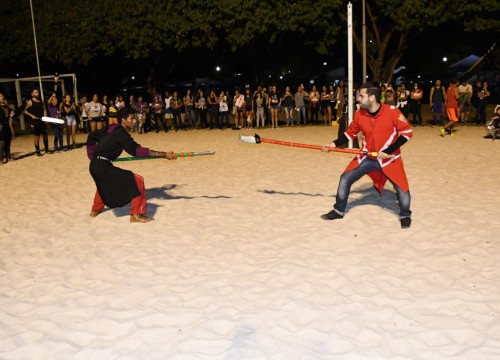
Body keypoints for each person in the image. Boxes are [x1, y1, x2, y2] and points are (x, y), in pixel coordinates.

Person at [321, 82, 413, 229]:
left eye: (361, 96)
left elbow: (407, 134)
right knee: (345, 178)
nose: (358, 99)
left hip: (389, 159)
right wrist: (333, 144)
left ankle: (405, 215)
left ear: (371, 97)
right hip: (366, 157)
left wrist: (388, 151)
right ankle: (338, 210)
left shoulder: (393, 111)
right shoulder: (359, 114)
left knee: (403, 190)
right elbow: (349, 133)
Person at [87, 108, 177, 223]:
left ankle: (95, 210)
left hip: (95, 166)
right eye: (132, 118)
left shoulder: (111, 128)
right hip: (102, 165)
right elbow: (137, 151)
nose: (134, 121)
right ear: (123, 120)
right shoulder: (121, 133)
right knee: (138, 181)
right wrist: (164, 154)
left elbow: (92, 136)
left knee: (105, 183)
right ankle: (136, 214)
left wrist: (93, 156)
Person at [24, 88, 48, 156]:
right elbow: (24, 111)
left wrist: (45, 117)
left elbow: (45, 109)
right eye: (35, 92)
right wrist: (31, 115)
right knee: (36, 136)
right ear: (32, 94)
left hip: (42, 120)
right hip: (35, 122)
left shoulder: (41, 101)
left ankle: (46, 149)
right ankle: (37, 151)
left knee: (45, 135)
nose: (37, 93)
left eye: (38, 92)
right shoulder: (30, 101)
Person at [0, 93, 15, 164]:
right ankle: (0, 159)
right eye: (0, 96)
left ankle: (8, 157)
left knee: (8, 142)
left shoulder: (5, 107)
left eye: (2, 96)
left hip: (6, 126)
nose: (2, 97)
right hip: (1, 127)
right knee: (2, 143)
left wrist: (11, 115)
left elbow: (6, 118)